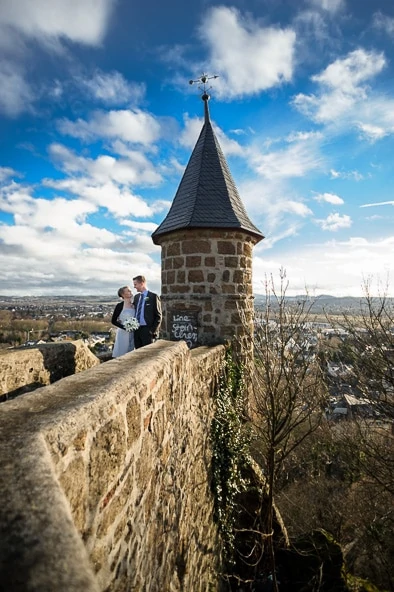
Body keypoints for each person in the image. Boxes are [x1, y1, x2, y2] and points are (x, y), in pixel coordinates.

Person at [132, 275, 162, 349]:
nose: (134, 287)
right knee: (137, 353)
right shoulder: (136, 297)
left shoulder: (153, 296)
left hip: (147, 330)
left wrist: (152, 331)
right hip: (137, 330)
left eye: (135, 284)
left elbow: (158, 316)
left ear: (142, 283)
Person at [111, 286, 136, 357]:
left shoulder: (134, 305)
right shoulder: (119, 306)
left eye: (130, 290)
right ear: (123, 294)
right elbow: (113, 321)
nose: (130, 292)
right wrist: (125, 327)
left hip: (134, 332)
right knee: (122, 353)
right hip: (123, 333)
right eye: (128, 291)